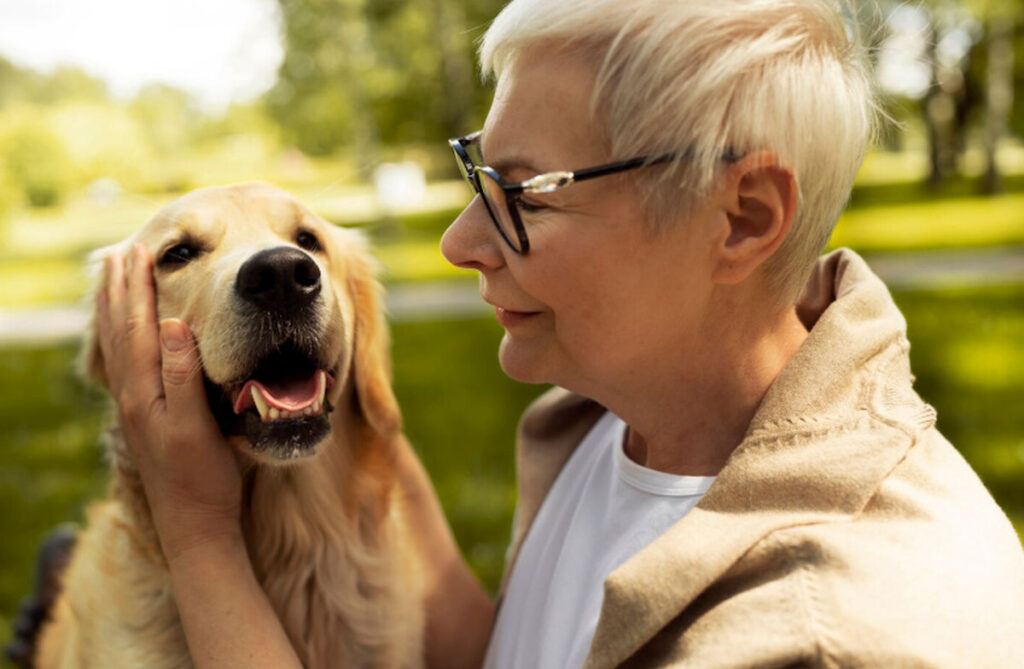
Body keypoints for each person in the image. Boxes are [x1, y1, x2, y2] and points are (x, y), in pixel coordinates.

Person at [92, 0, 1024, 667]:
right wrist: (342, 377)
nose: (461, 243)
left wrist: (201, 535)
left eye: (525, 192)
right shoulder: (628, 418)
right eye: (477, 174)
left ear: (740, 217)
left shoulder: (820, 632)